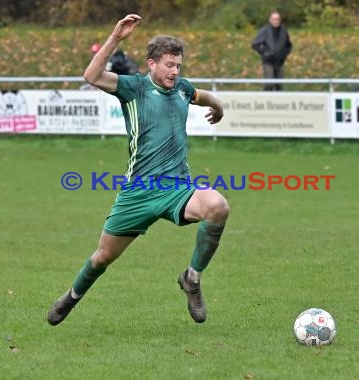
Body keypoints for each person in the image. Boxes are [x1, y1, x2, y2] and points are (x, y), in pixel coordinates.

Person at [48, 14, 228, 326]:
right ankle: (73, 296)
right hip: (138, 193)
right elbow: (91, 75)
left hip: (177, 189)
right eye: (169, 65)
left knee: (218, 206)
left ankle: (192, 278)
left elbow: (203, 95)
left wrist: (218, 107)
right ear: (152, 64)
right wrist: (116, 38)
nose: (175, 71)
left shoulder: (183, 89)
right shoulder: (133, 88)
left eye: (178, 66)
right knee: (103, 256)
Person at [251, 11, 292, 91]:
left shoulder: (284, 30)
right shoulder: (265, 30)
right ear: (270, 20)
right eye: (273, 19)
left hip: (280, 61)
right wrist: (265, 52)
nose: (275, 21)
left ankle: (279, 102)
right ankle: (266, 100)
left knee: (279, 85)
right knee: (269, 84)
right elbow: (255, 45)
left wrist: (285, 53)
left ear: (280, 20)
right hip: (268, 61)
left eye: (277, 19)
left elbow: (288, 44)